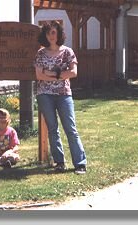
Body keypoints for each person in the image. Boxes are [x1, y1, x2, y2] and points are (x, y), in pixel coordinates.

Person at [34, 20, 87, 175]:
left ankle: (80, 163)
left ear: (59, 34)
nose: (51, 35)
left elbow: (74, 72)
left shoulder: (67, 52)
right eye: (48, 32)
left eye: (54, 32)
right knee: (52, 129)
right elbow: (38, 75)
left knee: (71, 129)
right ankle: (59, 162)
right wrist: (60, 75)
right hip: (45, 95)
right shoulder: (40, 54)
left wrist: (50, 74)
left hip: (64, 95)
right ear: (45, 35)